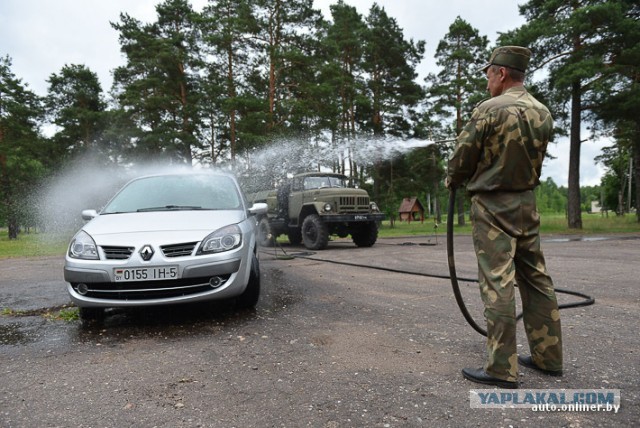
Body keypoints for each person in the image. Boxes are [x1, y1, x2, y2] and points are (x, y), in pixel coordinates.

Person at [445, 46, 563, 389]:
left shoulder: (488, 110)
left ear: (501, 73)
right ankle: (549, 358)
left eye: (487, 76)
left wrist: (453, 177)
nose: (486, 84)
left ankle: (501, 369)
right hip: (527, 203)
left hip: (493, 206)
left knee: (498, 281)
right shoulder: (543, 112)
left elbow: (462, 158)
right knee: (536, 278)